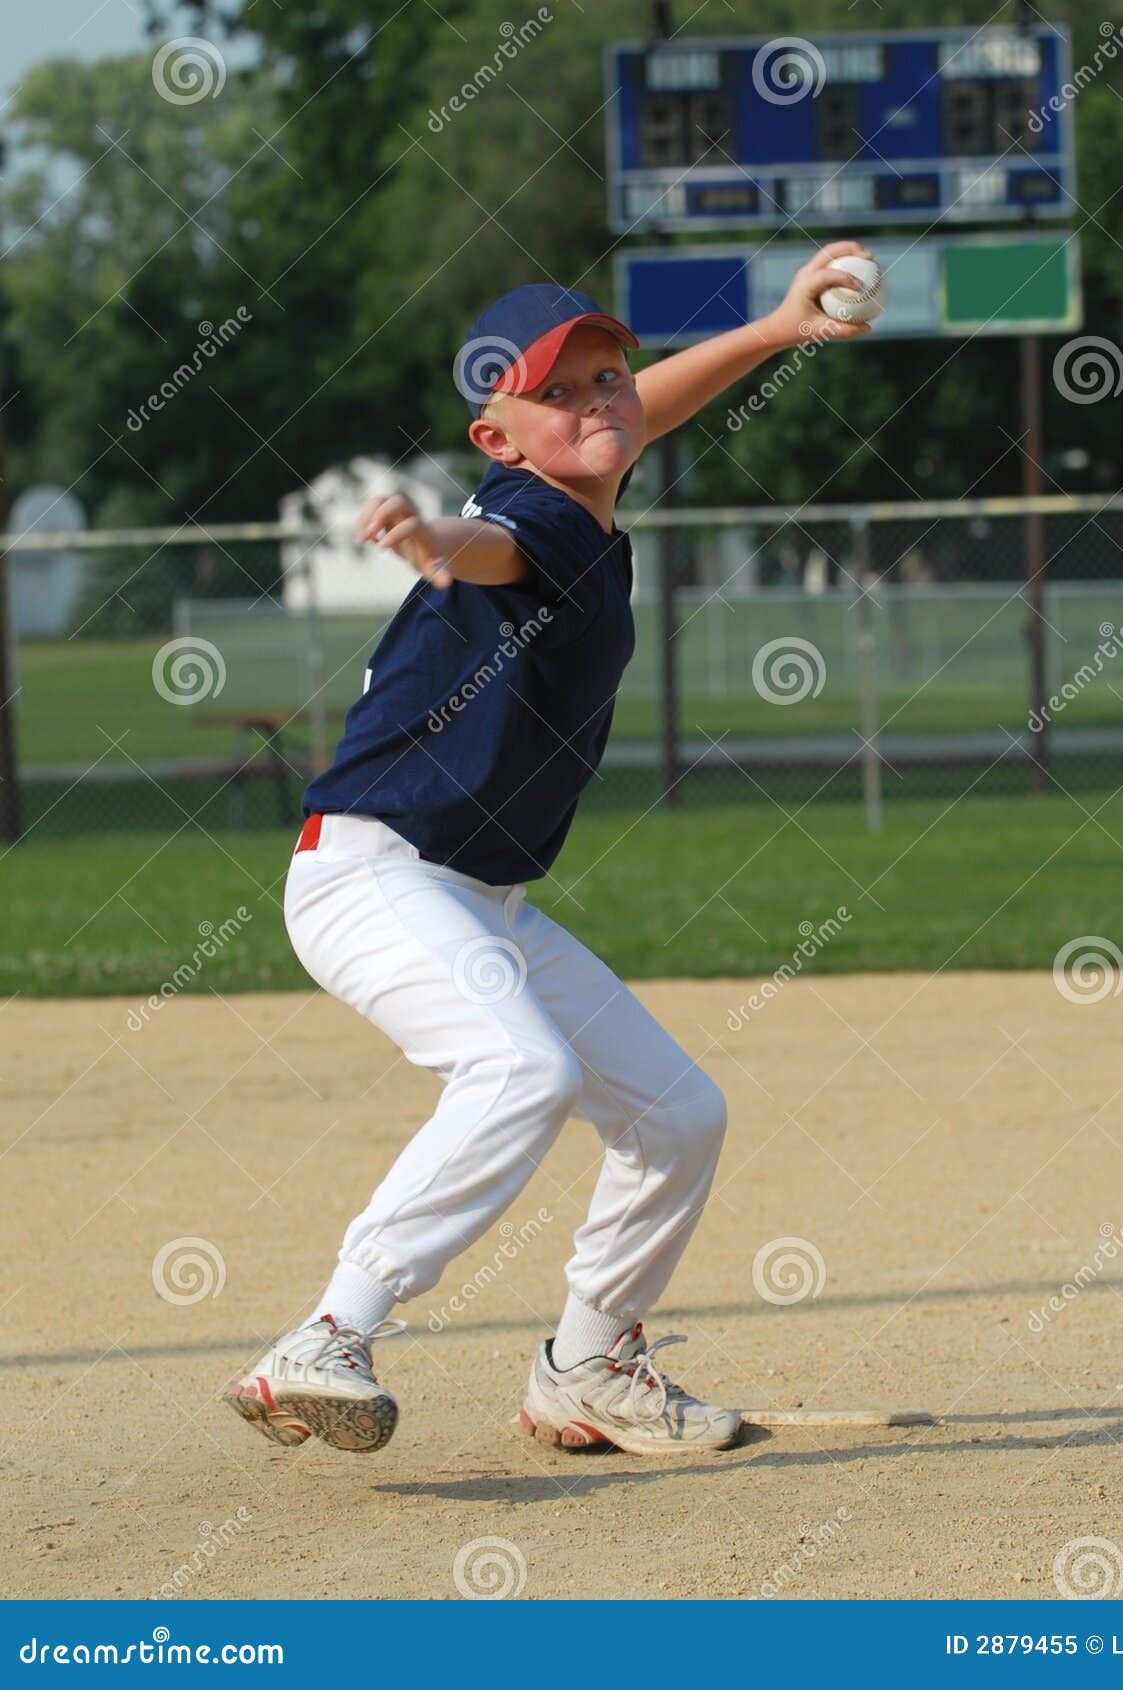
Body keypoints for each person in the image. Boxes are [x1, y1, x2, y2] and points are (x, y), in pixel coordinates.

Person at [223, 245, 873, 1456]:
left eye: (604, 375)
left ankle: (587, 1364)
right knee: (523, 1070)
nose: (596, 400)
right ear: (496, 439)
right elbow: (495, 554)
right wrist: (432, 542)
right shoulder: (525, 520)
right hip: (370, 872)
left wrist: (775, 328)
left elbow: (637, 414)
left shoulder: (572, 486)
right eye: (556, 391)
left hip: (479, 897)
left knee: (678, 1112)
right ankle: (327, 1331)